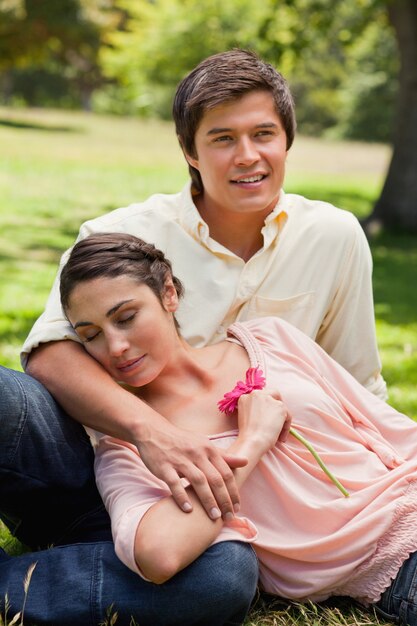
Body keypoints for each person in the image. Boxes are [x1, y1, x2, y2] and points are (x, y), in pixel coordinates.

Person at [0, 48, 385, 623]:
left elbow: (356, 383)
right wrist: (151, 432)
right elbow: (51, 355)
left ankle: (31, 582)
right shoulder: (120, 233)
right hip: (97, 471)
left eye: (263, 134)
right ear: (189, 151)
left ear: (288, 140)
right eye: (223, 138)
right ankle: (96, 550)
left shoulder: (333, 237)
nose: (247, 156)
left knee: (224, 578)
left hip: (215, 513)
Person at [61, 232, 417, 625]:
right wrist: (250, 444)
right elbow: (159, 555)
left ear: (168, 294)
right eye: (91, 335)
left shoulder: (270, 338)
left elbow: (391, 429)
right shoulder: (129, 447)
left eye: (126, 318)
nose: (115, 347)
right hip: (397, 568)